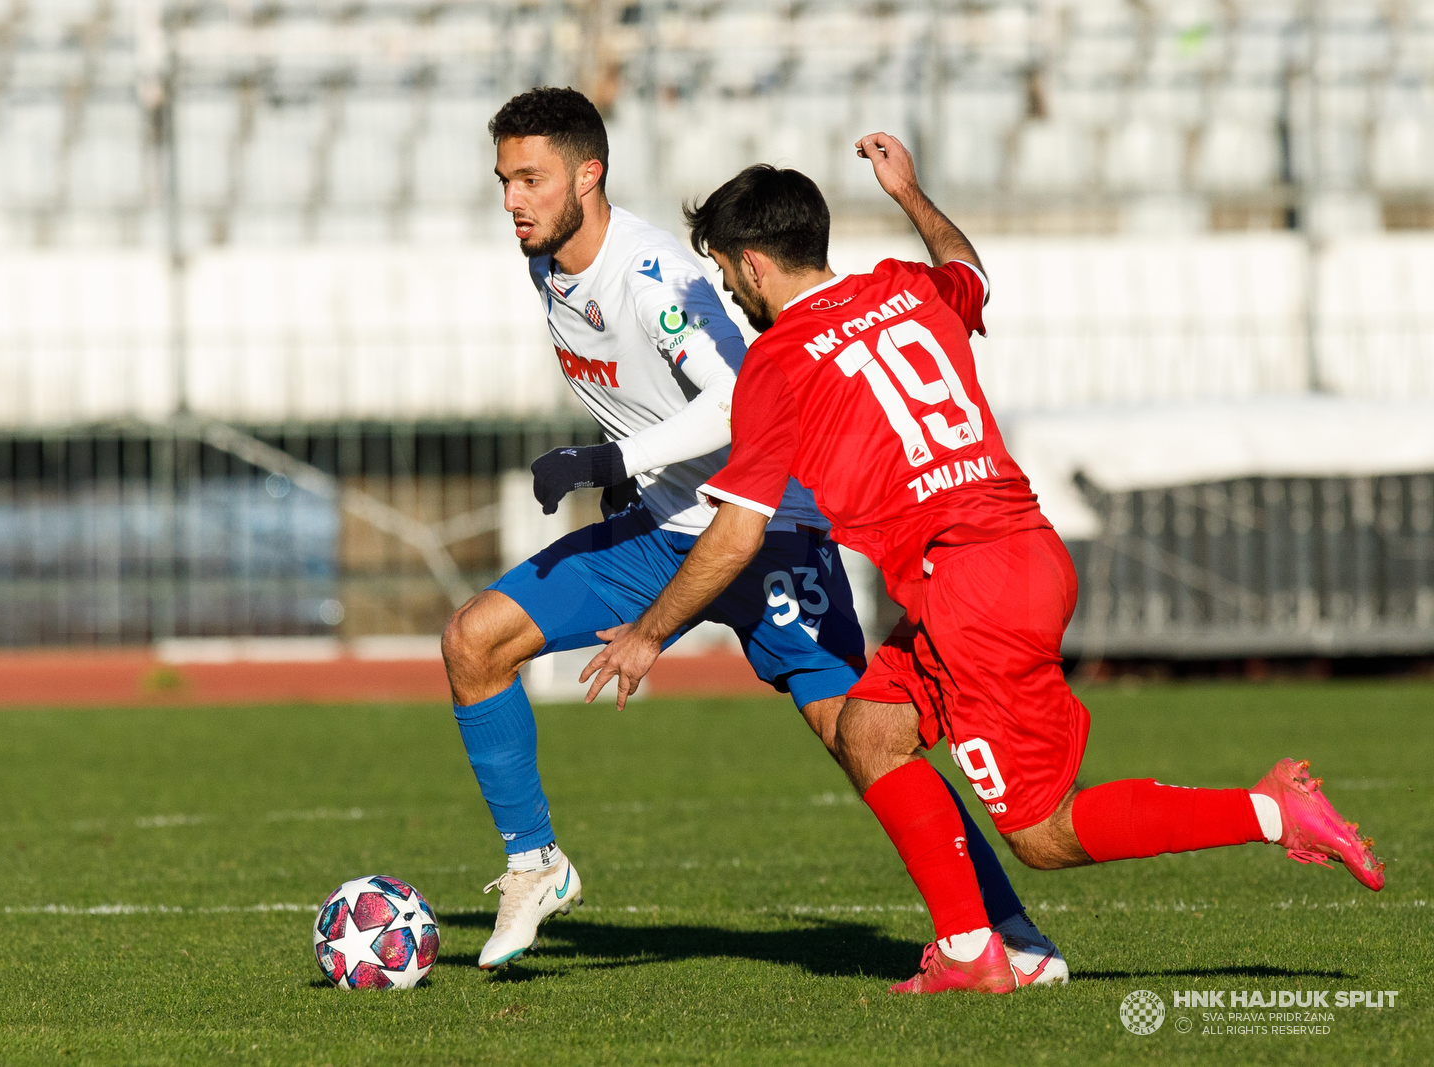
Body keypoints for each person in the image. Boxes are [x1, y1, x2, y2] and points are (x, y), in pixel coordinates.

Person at [582, 134, 1386, 995]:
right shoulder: (903, 285)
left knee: (1044, 833)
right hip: (1013, 553)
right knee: (871, 731)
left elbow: (737, 534)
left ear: (750, 263)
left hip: (971, 588)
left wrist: (649, 632)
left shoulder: (778, 362)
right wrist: (913, 194)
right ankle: (974, 948)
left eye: (726, 274)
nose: (732, 296)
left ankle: (1270, 810)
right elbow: (974, 271)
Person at [443, 88, 1066, 982]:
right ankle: (534, 864)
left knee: (867, 739)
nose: (513, 200)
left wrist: (611, 458)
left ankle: (1008, 933)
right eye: (505, 180)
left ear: (591, 174)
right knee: (474, 639)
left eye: (531, 179)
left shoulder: (653, 276)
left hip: (766, 533)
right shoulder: (548, 260)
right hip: (658, 534)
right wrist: (630, 478)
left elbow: (741, 403)